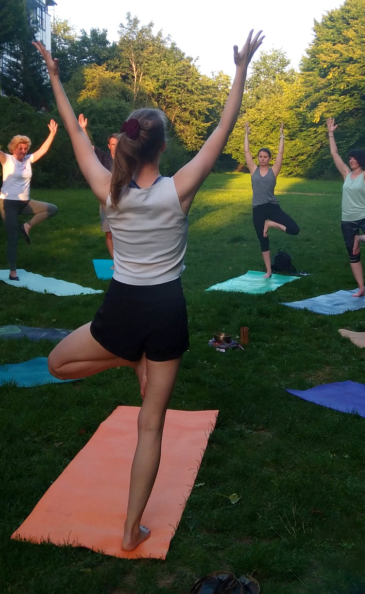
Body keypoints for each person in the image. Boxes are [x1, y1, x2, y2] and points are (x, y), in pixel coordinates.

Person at [39, 29, 264, 553]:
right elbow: (223, 132)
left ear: (124, 146)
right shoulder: (178, 188)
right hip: (165, 313)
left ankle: (124, 358)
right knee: (150, 425)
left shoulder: (106, 189)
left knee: (57, 363)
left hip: (120, 310)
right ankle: (129, 529)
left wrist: (54, 75)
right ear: (162, 147)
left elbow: (73, 132)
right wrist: (240, 70)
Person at [0, 120, 59, 280]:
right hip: (8, 203)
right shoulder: (7, 159)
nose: (23, 151)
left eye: (25, 148)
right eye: (20, 148)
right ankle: (13, 271)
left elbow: (43, 150)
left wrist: (52, 134)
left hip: (25, 202)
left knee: (51, 209)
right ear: (13, 148)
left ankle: (26, 226)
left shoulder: (28, 160)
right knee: (12, 236)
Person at [327, 115, 365, 297]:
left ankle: (359, 239)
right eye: (349, 158)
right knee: (353, 255)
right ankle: (361, 288)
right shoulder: (346, 174)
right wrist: (331, 134)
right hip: (347, 219)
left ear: (360, 160)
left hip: (364, 215)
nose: (350, 160)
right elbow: (334, 154)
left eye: (353, 158)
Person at [243, 121, 300, 277]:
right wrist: (246, 133)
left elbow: (281, 154)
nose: (262, 159)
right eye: (260, 156)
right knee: (263, 241)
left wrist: (282, 135)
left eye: (265, 157)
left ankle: (271, 224)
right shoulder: (253, 170)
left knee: (295, 229)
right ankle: (269, 270)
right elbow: (246, 151)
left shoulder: (273, 171)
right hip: (258, 209)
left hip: (273, 208)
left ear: (269, 159)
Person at [78, 113, 118, 259]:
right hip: (106, 200)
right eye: (113, 144)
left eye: (118, 144)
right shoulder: (103, 157)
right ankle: (116, 260)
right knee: (109, 232)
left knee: (126, 232)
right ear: (109, 146)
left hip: (124, 199)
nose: (116, 147)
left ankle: (126, 260)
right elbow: (88, 147)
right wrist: (83, 129)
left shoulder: (127, 160)